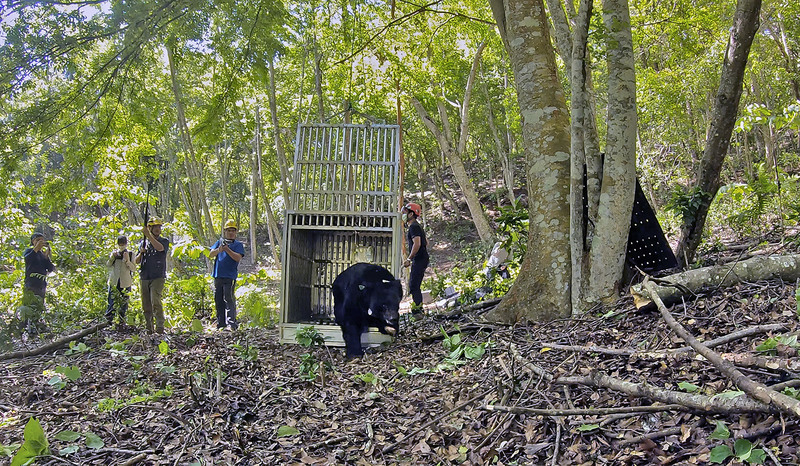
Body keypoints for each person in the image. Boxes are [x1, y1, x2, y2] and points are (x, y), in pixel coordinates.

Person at [135, 218, 170, 333]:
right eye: (155, 227)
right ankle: (149, 327)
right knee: (146, 303)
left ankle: (160, 327)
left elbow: (160, 248)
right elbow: (136, 261)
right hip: (145, 275)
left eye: (159, 227)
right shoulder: (143, 243)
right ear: (150, 228)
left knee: (156, 300)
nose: (158, 229)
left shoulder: (164, 241)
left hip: (158, 276)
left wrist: (148, 236)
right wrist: (141, 252)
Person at [209, 220, 245, 330]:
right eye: (229, 230)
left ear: (236, 232)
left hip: (230, 276)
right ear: (225, 231)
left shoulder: (238, 245)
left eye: (233, 231)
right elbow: (210, 254)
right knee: (218, 299)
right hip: (218, 275)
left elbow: (238, 258)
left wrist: (227, 249)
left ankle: (232, 323)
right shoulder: (219, 242)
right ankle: (221, 323)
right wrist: (220, 249)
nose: (231, 233)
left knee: (229, 298)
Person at [22, 232, 55, 332]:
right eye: (38, 241)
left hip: (41, 284)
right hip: (31, 284)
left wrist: (47, 256)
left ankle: (36, 326)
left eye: (42, 241)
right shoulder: (29, 251)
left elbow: (50, 268)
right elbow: (28, 259)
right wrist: (36, 248)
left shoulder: (41, 255)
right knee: (30, 305)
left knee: (39, 306)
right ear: (33, 242)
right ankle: (26, 328)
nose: (41, 243)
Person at [401, 203, 429, 314]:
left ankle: (418, 311)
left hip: (419, 259)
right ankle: (418, 310)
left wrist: (409, 258)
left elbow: (417, 244)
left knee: (414, 285)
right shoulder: (416, 226)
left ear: (411, 214)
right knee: (414, 284)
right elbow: (426, 242)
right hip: (421, 259)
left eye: (406, 213)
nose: (404, 215)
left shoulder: (414, 227)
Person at [106, 235, 136, 327]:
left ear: (126, 244)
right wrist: (113, 257)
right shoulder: (114, 253)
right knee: (111, 302)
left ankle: (121, 321)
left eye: (123, 243)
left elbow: (133, 268)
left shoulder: (131, 254)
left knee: (124, 303)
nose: (121, 245)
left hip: (125, 282)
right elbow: (108, 264)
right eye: (120, 244)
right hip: (114, 281)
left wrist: (127, 260)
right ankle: (108, 321)